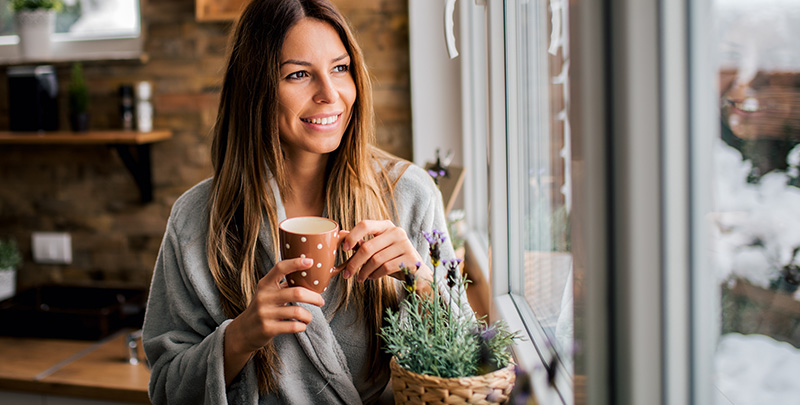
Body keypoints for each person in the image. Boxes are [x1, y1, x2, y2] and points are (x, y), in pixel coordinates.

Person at [142, 0, 462, 403]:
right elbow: (166, 390)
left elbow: (470, 363)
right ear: (255, 89)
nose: (330, 94)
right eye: (298, 75)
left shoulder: (408, 194)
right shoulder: (196, 219)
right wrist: (240, 337)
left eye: (340, 68)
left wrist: (421, 282)